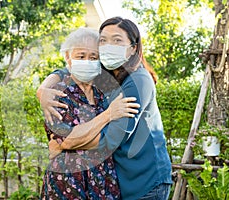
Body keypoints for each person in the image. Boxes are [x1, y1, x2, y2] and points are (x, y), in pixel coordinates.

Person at [37, 17, 173, 200]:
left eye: (117, 40)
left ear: (133, 48)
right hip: (120, 179)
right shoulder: (105, 74)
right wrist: (43, 89)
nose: (109, 46)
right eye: (103, 40)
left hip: (145, 180)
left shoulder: (138, 81)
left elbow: (111, 138)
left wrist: (65, 144)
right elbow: (69, 67)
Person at [40, 27, 139, 200]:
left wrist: (71, 142)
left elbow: (112, 136)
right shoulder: (57, 94)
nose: (87, 61)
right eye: (80, 56)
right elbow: (68, 140)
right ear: (68, 58)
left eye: (93, 57)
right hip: (68, 182)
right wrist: (108, 115)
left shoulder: (105, 92)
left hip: (103, 180)